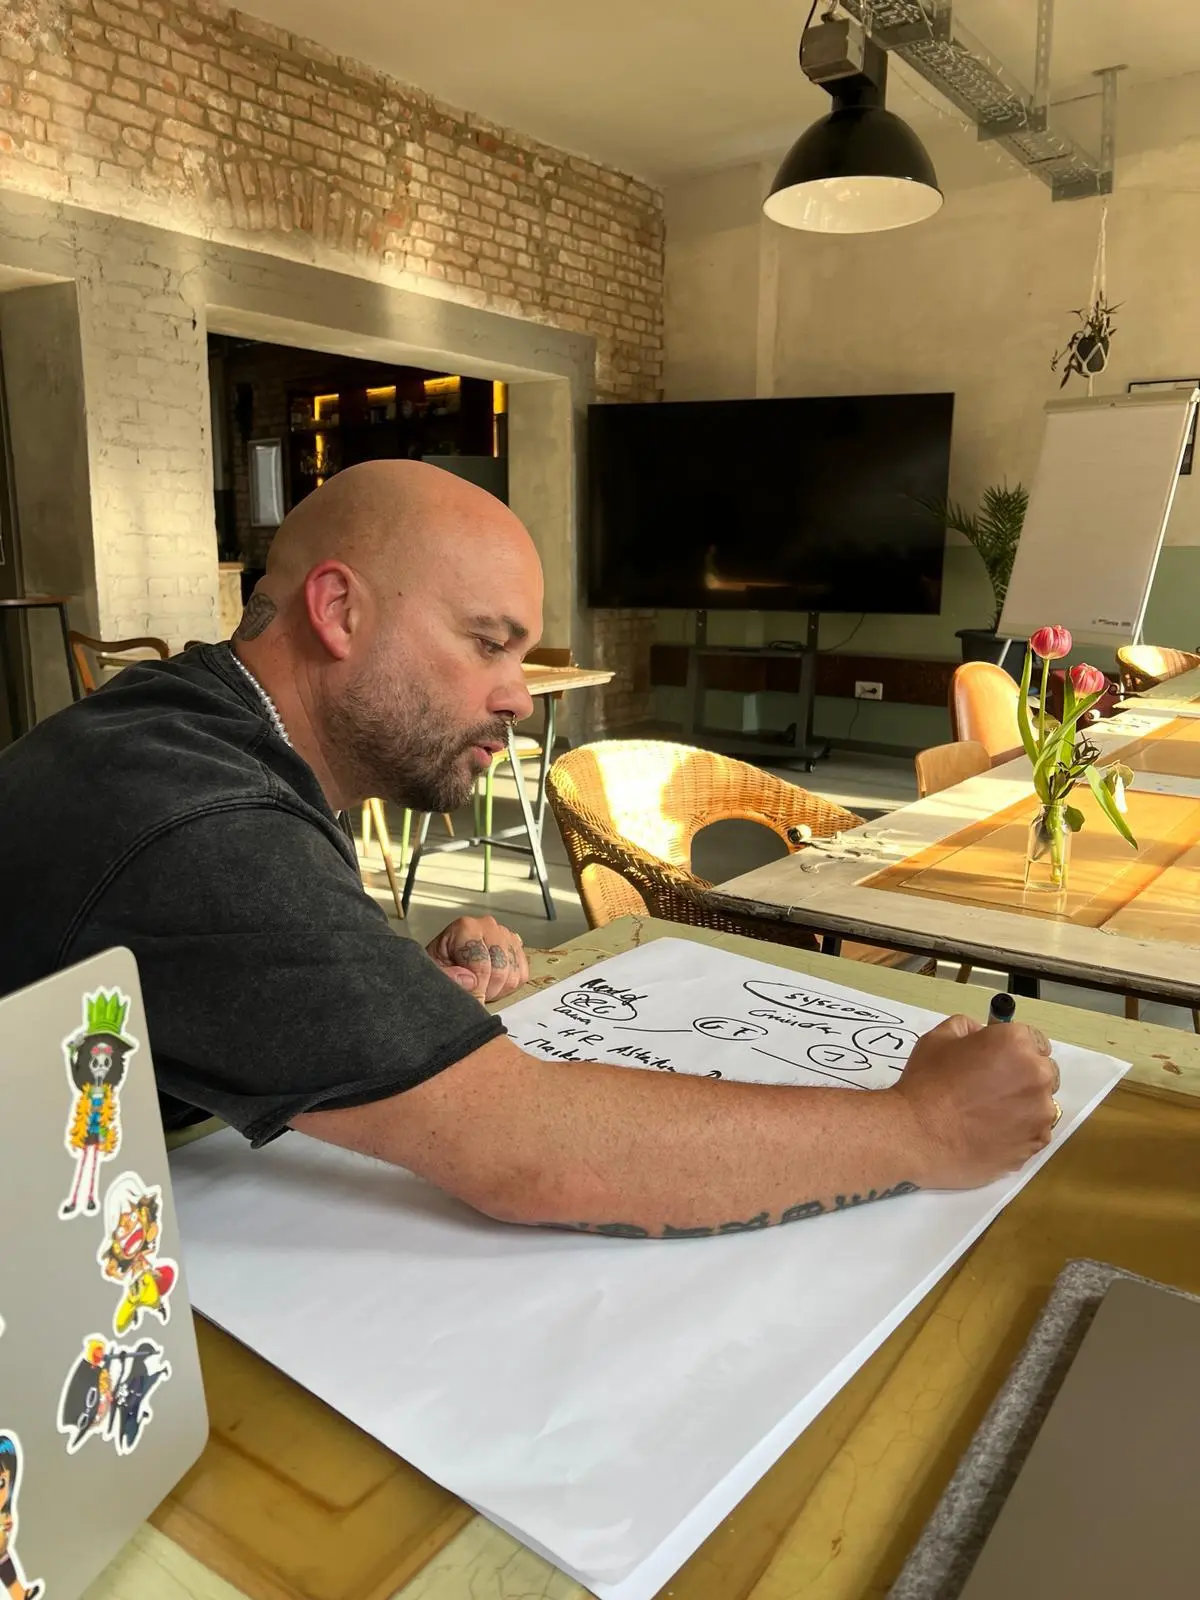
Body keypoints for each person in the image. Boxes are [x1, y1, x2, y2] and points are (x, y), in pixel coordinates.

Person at [0, 462, 1059, 1239]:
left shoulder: (179, 728)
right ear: (338, 610)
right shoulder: (204, 817)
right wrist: (925, 1124)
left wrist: (376, 981)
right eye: (487, 643)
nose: (518, 697)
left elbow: (198, 976)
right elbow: (527, 1147)